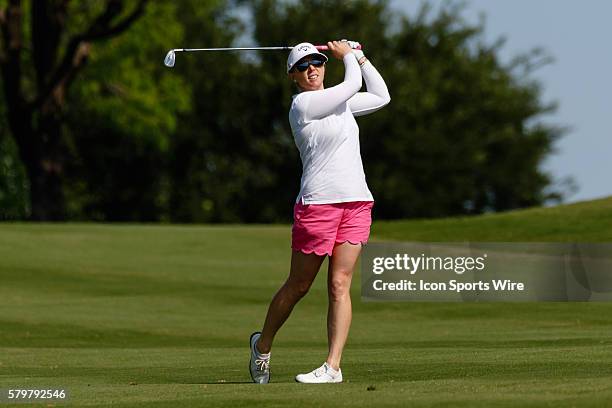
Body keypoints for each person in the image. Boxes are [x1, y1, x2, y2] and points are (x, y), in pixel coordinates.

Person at [249, 39, 390, 384]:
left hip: (356, 201)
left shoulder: (342, 103)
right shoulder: (304, 105)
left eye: (317, 62)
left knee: (339, 284)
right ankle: (262, 345)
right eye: (303, 66)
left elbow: (381, 95)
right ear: (293, 76)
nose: (311, 69)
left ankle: (333, 367)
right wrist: (347, 57)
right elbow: (352, 84)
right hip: (318, 204)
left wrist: (361, 56)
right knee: (299, 285)